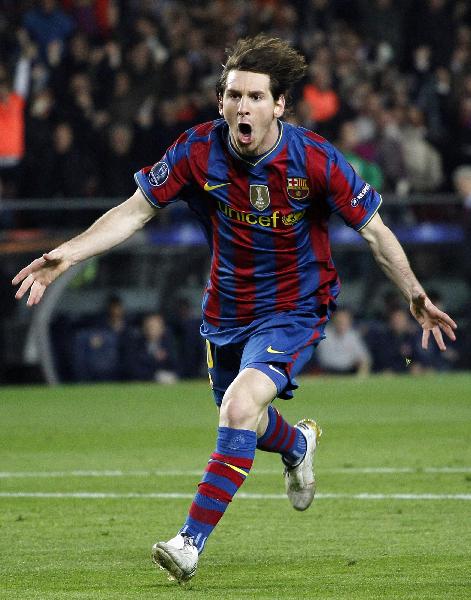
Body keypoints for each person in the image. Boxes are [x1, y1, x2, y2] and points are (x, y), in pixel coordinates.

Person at [11, 35, 457, 584]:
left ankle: (189, 543)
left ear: (278, 106)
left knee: (240, 405)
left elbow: (376, 234)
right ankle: (298, 444)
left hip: (296, 307)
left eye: (252, 97)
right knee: (242, 415)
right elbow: (133, 212)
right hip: (225, 311)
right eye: (231, 95)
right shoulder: (198, 151)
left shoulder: (314, 160)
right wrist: (67, 255)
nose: (240, 107)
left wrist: (414, 293)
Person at [316, 307, 371, 376]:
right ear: (334, 320)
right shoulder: (323, 334)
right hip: (325, 372)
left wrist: (360, 377)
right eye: (339, 319)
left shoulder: (353, 336)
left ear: (350, 321)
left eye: (345, 320)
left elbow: (364, 359)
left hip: (348, 372)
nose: (342, 322)